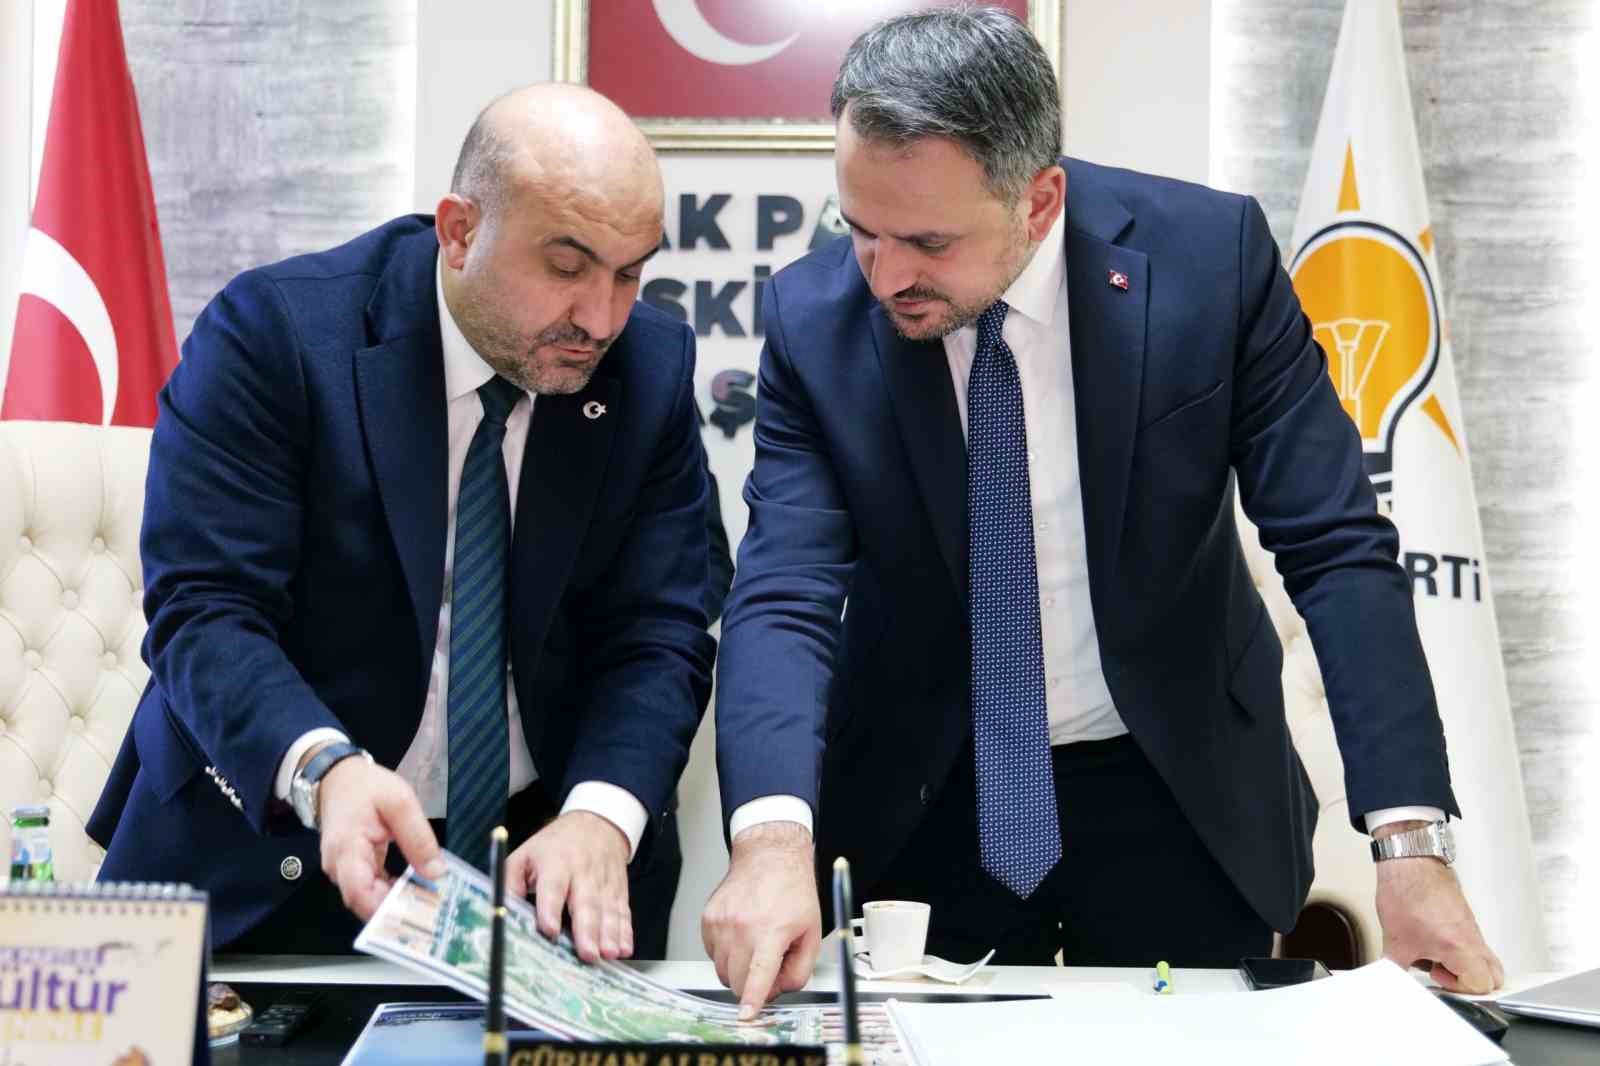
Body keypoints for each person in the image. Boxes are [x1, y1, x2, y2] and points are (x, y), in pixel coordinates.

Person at [702, 7, 1503, 1017]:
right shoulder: (813, 321)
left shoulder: (1211, 265)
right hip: (929, 790)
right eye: (861, 230)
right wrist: (770, 839)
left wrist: (1410, 846)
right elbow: (786, 591)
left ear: (1039, 201)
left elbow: (1334, 547)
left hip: (1176, 783)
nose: (886, 275)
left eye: (928, 241)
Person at [88, 83, 717, 962]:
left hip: (537, 878)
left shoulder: (647, 368)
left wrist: (601, 816)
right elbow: (207, 610)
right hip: (273, 855)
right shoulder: (277, 335)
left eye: (630, 273)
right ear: (458, 232)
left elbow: (662, 631)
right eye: (567, 268)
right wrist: (324, 771)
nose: (603, 318)